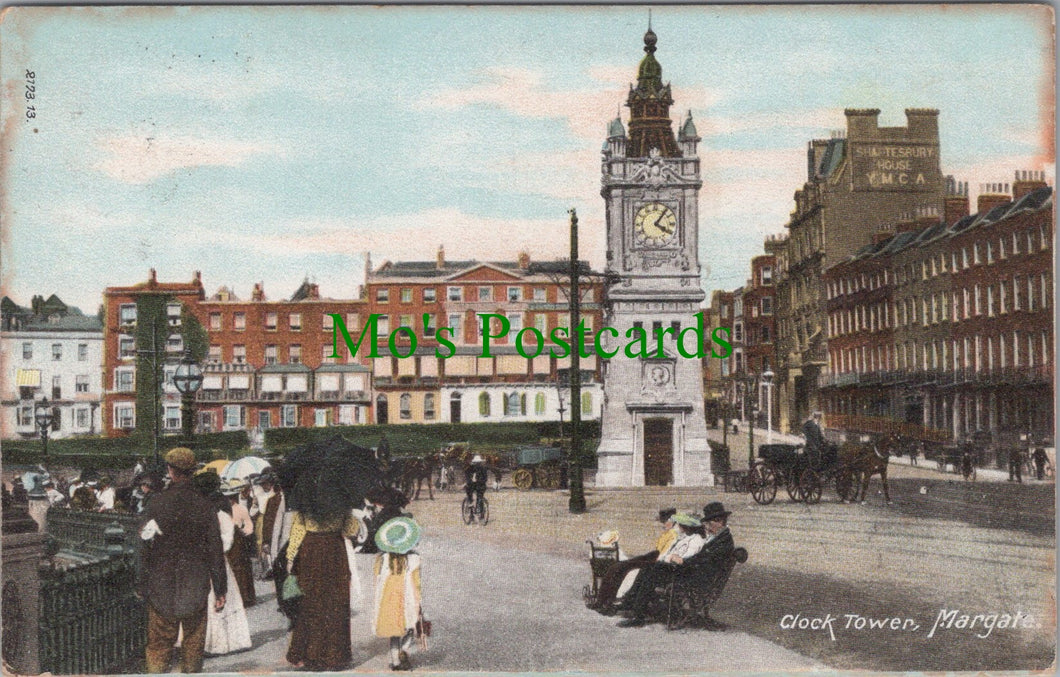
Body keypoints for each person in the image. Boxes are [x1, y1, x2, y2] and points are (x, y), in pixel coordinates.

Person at [138, 447, 227, 673]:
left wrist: (140, 583)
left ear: (170, 470)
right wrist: (220, 589)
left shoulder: (155, 504)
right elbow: (215, 550)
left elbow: (143, 547)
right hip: (195, 584)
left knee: (158, 646)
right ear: (193, 470)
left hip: (161, 585)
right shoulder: (205, 506)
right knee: (193, 645)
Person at [284, 505, 361, 670]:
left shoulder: (305, 501)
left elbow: (297, 531)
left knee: (310, 602)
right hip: (334, 550)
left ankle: (308, 655)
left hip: (311, 550)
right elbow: (351, 530)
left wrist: (290, 557)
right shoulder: (341, 501)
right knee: (336, 602)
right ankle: (335, 657)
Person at [188, 473, 251, 656]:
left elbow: (226, 541)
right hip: (209, 560)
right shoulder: (213, 514)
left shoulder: (218, 514)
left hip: (211, 560)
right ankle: (210, 642)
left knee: (213, 599)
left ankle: (216, 643)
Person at [615, 513, 711, 628]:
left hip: (678, 572)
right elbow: (672, 554)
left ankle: (638, 614)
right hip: (671, 568)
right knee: (647, 568)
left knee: (651, 573)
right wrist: (665, 558)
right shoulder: (686, 537)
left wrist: (668, 558)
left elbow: (682, 559)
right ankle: (629, 602)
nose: (678, 526)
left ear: (687, 526)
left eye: (681, 524)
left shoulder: (696, 540)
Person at [591, 508, 678, 613]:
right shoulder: (668, 532)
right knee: (618, 566)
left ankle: (607, 601)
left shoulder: (674, 534)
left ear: (672, 521)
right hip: (653, 555)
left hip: (657, 558)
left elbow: (664, 553)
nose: (663, 524)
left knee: (622, 567)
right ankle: (602, 600)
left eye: (665, 521)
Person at [372, 517, 423, 672]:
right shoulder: (414, 559)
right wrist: (419, 600)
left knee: (394, 633)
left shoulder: (383, 559)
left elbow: (376, 576)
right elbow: (417, 582)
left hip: (389, 599)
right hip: (407, 597)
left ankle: (395, 662)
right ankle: (405, 650)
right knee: (410, 627)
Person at [225, 480, 257, 608]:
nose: (230, 500)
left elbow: (249, 524)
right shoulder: (223, 511)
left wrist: (245, 531)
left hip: (239, 541)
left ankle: (246, 597)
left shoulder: (241, 509)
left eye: (231, 498)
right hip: (228, 541)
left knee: (242, 569)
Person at [464, 455, 489, 520]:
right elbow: (467, 475)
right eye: (476, 463)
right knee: (474, 495)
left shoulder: (482, 468)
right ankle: (472, 511)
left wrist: (478, 481)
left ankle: (479, 511)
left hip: (480, 485)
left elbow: (485, 478)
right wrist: (469, 481)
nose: (477, 464)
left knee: (479, 497)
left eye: (478, 463)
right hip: (476, 485)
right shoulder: (471, 468)